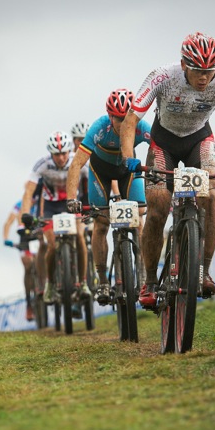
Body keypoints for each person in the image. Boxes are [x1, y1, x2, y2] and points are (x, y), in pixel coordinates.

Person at [119, 31, 215, 308]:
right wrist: (129, 157)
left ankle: (203, 271)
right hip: (163, 143)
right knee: (159, 204)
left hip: (200, 140)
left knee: (210, 197)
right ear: (184, 64)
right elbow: (130, 120)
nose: (204, 78)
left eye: (210, 72)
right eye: (198, 71)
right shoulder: (162, 76)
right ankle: (150, 282)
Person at [66, 89, 152, 304]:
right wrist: (71, 199)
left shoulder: (141, 127)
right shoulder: (99, 128)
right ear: (109, 116)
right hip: (101, 173)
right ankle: (103, 280)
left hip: (128, 172)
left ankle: (142, 273)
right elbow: (77, 164)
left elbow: (160, 151)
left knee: (139, 216)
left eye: (127, 118)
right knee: (101, 223)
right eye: (118, 119)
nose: (124, 124)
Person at [20, 131, 91, 316]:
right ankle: (51, 283)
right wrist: (26, 214)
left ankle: (83, 282)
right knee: (51, 245)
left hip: (72, 203)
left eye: (64, 153)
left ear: (69, 151)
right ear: (50, 153)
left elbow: (92, 182)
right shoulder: (42, 164)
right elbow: (28, 192)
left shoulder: (78, 160)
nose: (61, 158)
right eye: (57, 154)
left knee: (80, 237)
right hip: (51, 207)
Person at [3, 199, 39, 321]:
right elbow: (8, 222)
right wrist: (5, 238)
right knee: (28, 267)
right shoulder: (19, 205)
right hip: (25, 240)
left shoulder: (43, 200)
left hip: (39, 237)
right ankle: (29, 303)